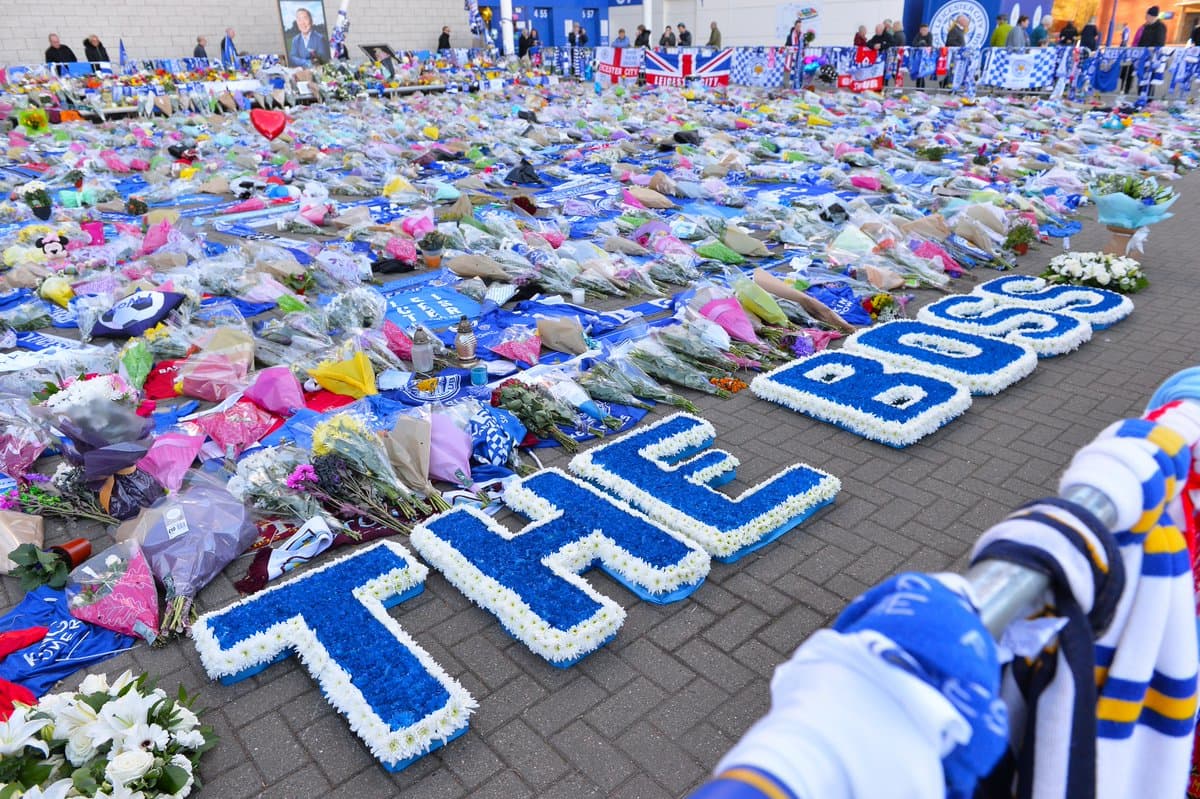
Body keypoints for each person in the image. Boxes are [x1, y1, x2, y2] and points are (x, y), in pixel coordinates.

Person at [911, 23, 932, 88]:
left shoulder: (929, 35)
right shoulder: (918, 35)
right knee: (918, 74)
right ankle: (918, 89)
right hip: (918, 57)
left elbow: (929, 45)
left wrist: (922, 44)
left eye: (926, 30)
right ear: (920, 30)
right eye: (924, 30)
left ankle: (921, 89)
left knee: (922, 74)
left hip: (925, 57)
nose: (925, 32)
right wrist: (921, 43)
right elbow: (914, 44)